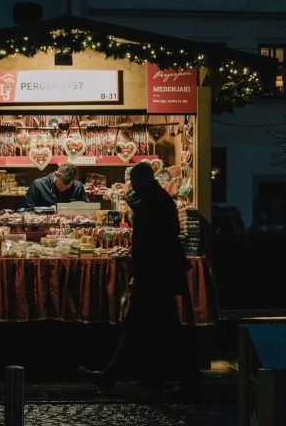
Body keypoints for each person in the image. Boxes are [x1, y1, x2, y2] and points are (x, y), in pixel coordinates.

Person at [78, 162, 201, 396]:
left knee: (153, 327)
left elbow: (150, 241)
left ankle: (182, 380)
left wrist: (139, 272)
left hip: (155, 274)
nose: (132, 186)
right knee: (154, 327)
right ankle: (153, 377)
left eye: (134, 181)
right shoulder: (157, 199)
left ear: (142, 179)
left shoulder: (153, 202)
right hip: (157, 273)